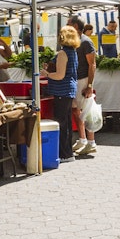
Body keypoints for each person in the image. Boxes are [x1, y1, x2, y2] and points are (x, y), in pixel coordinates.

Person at [43, 25, 80, 163]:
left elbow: (59, 75)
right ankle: (68, 152)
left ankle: (65, 154)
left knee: (62, 123)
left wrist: (46, 74)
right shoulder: (73, 52)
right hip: (68, 90)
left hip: (61, 90)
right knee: (67, 123)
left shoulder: (62, 53)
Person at [68, 17, 98, 157]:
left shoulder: (86, 42)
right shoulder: (74, 41)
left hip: (83, 80)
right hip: (75, 79)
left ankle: (91, 143)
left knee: (86, 111)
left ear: (75, 25)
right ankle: (82, 139)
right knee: (76, 110)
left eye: (68, 24)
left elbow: (92, 64)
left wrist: (90, 85)